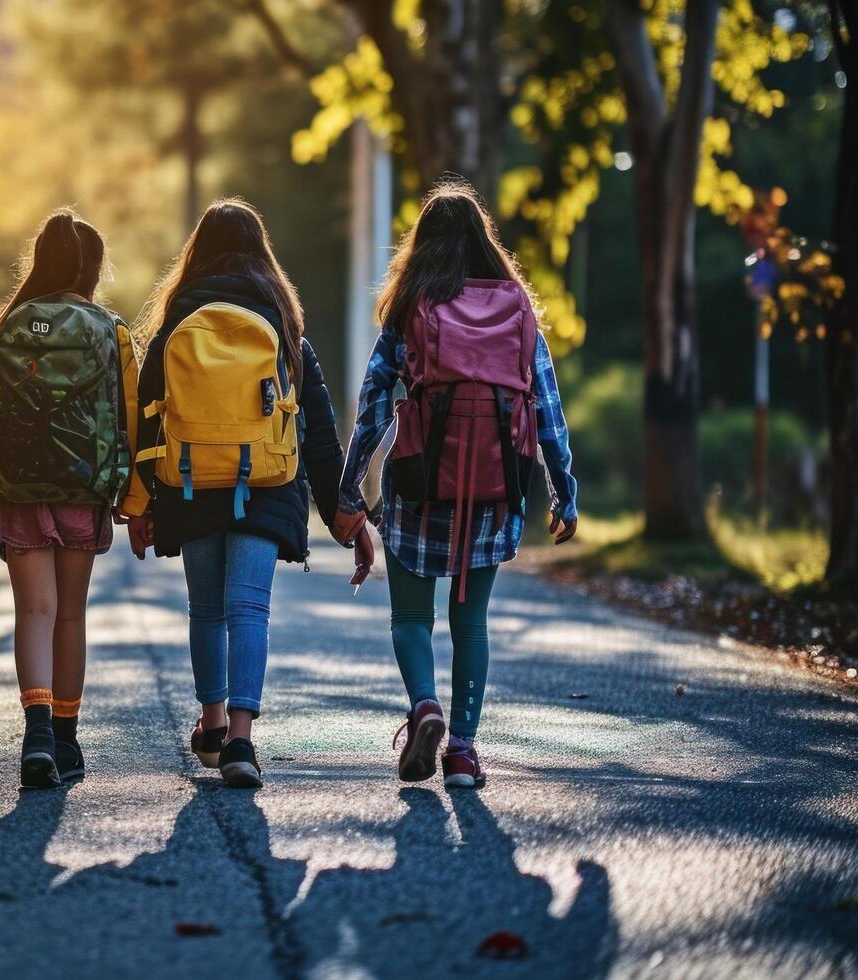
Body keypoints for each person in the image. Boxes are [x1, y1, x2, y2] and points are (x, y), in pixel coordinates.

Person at [336, 180, 579, 790]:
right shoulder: (518, 308)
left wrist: (347, 491)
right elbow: (546, 411)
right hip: (496, 488)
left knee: (411, 618)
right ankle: (465, 753)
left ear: (422, 246)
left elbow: (372, 406)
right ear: (484, 241)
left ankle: (425, 707)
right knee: (472, 624)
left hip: (418, 485)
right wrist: (563, 491)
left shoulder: (410, 306)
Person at [121, 198, 364, 789]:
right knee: (248, 609)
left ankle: (208, 723)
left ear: (195, 253)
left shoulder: (177, 323)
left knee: (206, 609)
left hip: (187, 479)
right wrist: (344, 514)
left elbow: (144, 423)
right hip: (267, 482)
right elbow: (321, 433)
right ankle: (239, 741)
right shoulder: (284, 329)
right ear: (264, 255)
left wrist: (139, 506)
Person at [0, 210, 137, 789]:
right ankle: (65, 740)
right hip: (85, 485)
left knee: (33, 611)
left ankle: (35, 731)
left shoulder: (10, 325)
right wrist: (134, 498)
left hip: (18, 487)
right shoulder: (109, 330)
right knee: (70, 612)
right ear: (92, 269)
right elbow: (132, 415)